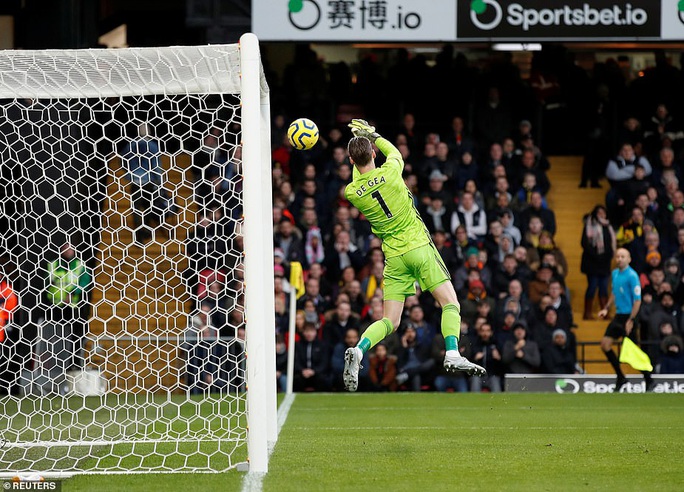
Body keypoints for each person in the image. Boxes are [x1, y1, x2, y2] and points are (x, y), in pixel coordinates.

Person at [341, 119, 485, 392]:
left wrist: (357, 150)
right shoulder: (392, 171)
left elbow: (360, 177)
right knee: (450, 303)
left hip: (394, 258)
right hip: (419, 248)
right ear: (374, 153)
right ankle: (453, 353)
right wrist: (373, 134)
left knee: (390, 321)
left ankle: (359, 350)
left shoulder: (352, 192)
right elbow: (394, 151)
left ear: (350, 159)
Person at [598, 248, 654, 392]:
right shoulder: (615, 273)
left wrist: (631, 320)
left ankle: (649, 378)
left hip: (629, 316)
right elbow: (614, 293)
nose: (619, 259)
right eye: (617, 256)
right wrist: (606, 308)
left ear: (629, 259)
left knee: (632, 352)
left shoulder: (632, 276)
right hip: (618, 315)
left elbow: (637, 301)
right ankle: (620, 376)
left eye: (623, 256)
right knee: (605, 344)